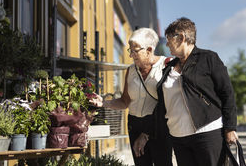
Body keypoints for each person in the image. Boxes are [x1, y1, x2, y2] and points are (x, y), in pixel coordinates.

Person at [156, 17, 238, 166]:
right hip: (178, 135)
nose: (167, 43)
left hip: (207, 132)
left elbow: (227, 94)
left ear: (181, 37)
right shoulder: (168, 68)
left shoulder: (208, 58)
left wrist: (230, 127)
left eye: (169, 39)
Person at [89, 28, 173, 166]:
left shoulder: (166, 66)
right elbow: (124, 101)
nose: (131, 55)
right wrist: (103, 103)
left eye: (135, 51)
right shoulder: (131, 70)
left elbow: (168, 105)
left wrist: (146, 134)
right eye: (130, 50)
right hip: (135, 124)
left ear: (149, 50)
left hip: (158, 126)